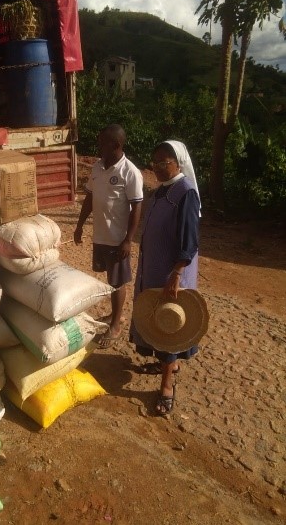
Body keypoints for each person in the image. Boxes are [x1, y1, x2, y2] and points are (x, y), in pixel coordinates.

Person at [129, 140, 200, 416]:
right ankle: (166, 364)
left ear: (178, 162)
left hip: (172, 274)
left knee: (170, 325)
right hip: (155, 270)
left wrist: (177, 274)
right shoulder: (162, 192)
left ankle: (167, 386)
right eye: (154, 163)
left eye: (163, 163)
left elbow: (189, 240)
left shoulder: (186, 193)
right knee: (156, 322)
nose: (157, 168)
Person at [74, 124, 144, 349]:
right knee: (110, 279)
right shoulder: (97, 168)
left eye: (102, 143)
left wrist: (128, 240)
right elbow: (90, 198)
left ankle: (115, 325)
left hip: (117, 239)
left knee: (117, 282)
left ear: (116, 145)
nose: (98, 147)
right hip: (100, 235)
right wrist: (80, 225)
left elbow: (136, 208)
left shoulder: (130, 172)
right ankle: (117, 314)